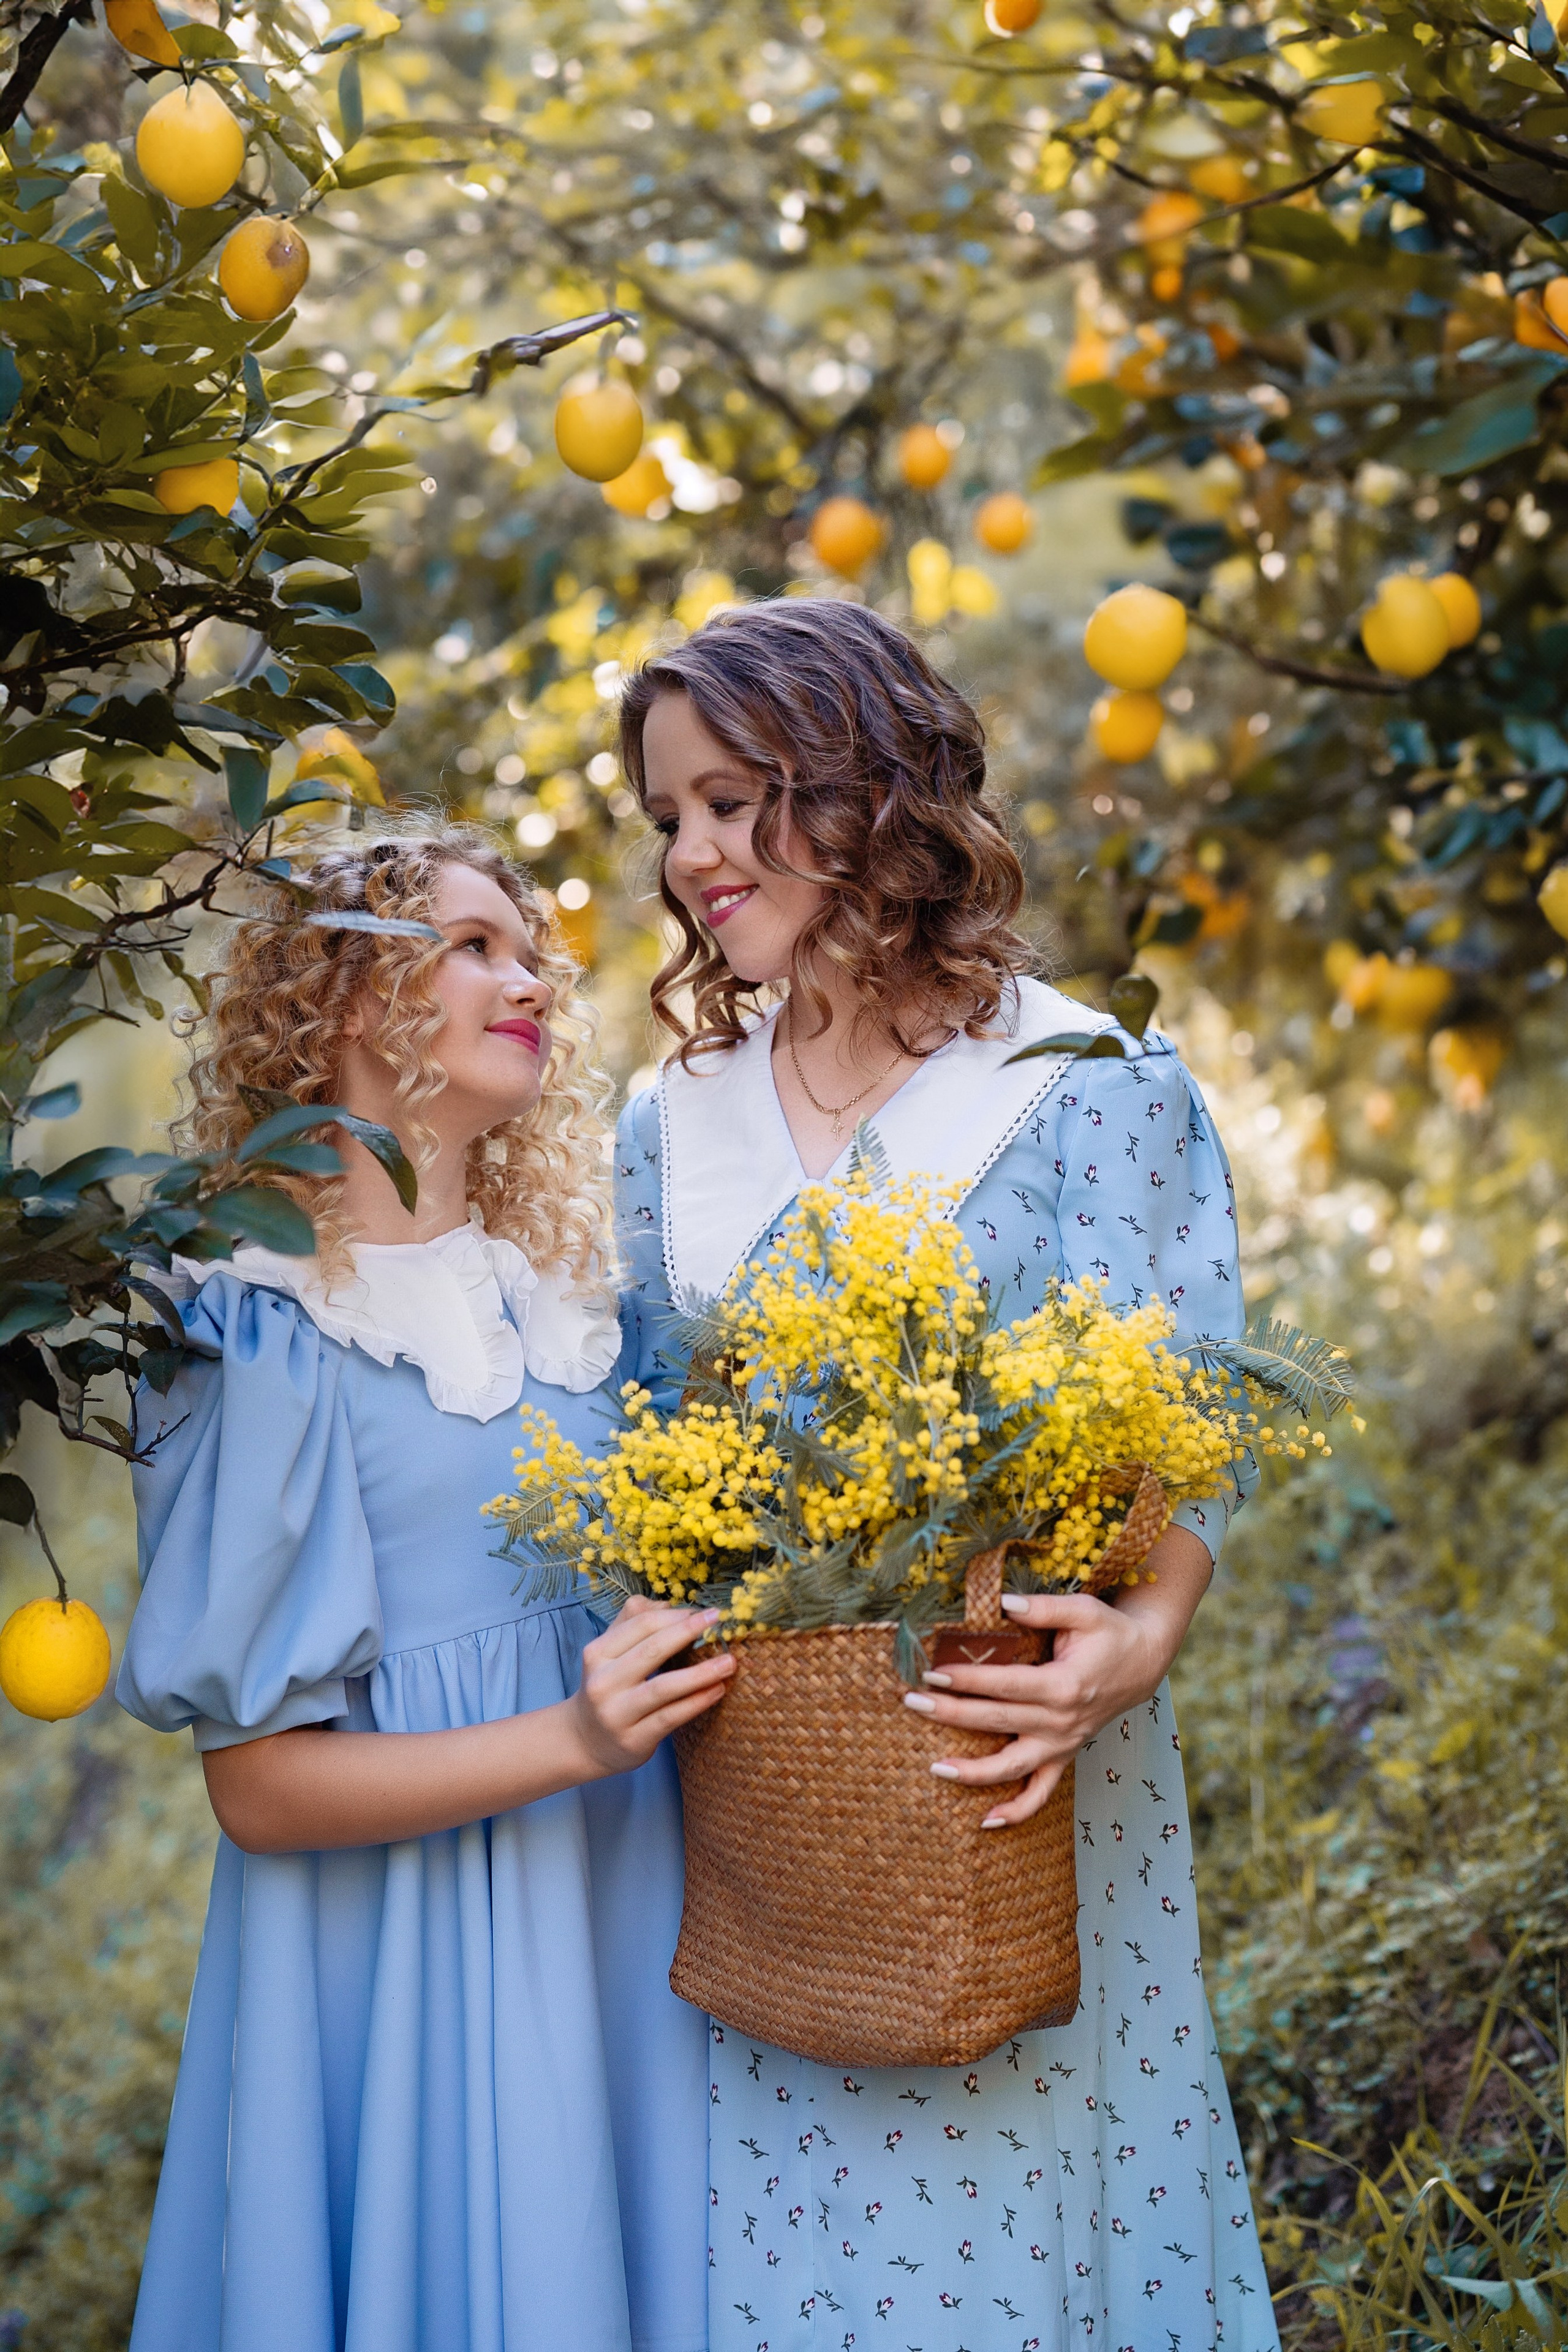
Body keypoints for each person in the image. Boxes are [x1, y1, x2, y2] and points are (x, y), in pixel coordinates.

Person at [612, 602, 1280, 2352]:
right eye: (667, 818)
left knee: (1032, 2218)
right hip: (777, 1819)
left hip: (1018, 1765)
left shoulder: (1084, 1085)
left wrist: (1144, 1642)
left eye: (731, 801)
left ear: (865, 790)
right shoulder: (661, 1127)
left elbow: (1187, 1422)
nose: (689, 856)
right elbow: (645, 1450)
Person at [116, 827, 732, 2352]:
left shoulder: (593, 1318)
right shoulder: (249, 1334)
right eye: (471, 945)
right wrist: (573, 1745)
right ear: (340, 996)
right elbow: (259, 1791)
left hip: (626, 1915)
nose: (526, 977)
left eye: (525, 950)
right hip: (401, 1967)